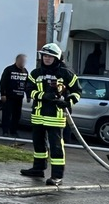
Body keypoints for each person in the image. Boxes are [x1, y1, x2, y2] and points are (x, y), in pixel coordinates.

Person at [20, 42, 80, 187]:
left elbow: (77, 92)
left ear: (57, 58)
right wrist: (42, 95)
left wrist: (68, 102)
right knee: (38, 145)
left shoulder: (66, 74)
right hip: (38, 115)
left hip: (56, 117)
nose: (46, 59)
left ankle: (57, 176)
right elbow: (28, 90)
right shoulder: (36, 73)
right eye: (44, 56)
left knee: (56, 147)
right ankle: (38, 168)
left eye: (50, 56)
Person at [0, 54, 29, 138]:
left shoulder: (25, 71)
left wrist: (28, 95)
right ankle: (5, 131)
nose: (23, 63)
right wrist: (3, 94)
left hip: (19, 97)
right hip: (9, 96)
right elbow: (3, 82)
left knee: (17, 115)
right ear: (17, 60)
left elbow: (27, 84)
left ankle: (13, 131)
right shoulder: (9, 70)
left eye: (24, 61)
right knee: (7, 114)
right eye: (22, 61)